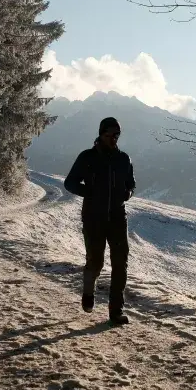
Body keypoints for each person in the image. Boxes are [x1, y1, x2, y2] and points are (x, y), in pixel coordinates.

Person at [63, 117, 136, 326]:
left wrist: (128, 193)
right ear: (100, 134)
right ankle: (88, 291)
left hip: (117, 217)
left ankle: (116, 312)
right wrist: (90, 192)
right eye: (110, 135)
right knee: (96, 262)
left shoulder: (124, 159)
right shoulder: (87, 157)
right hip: (93, 217)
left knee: (120, 263)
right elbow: (70, 183)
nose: (114, 139)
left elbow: (132, 183)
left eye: (117, 135)